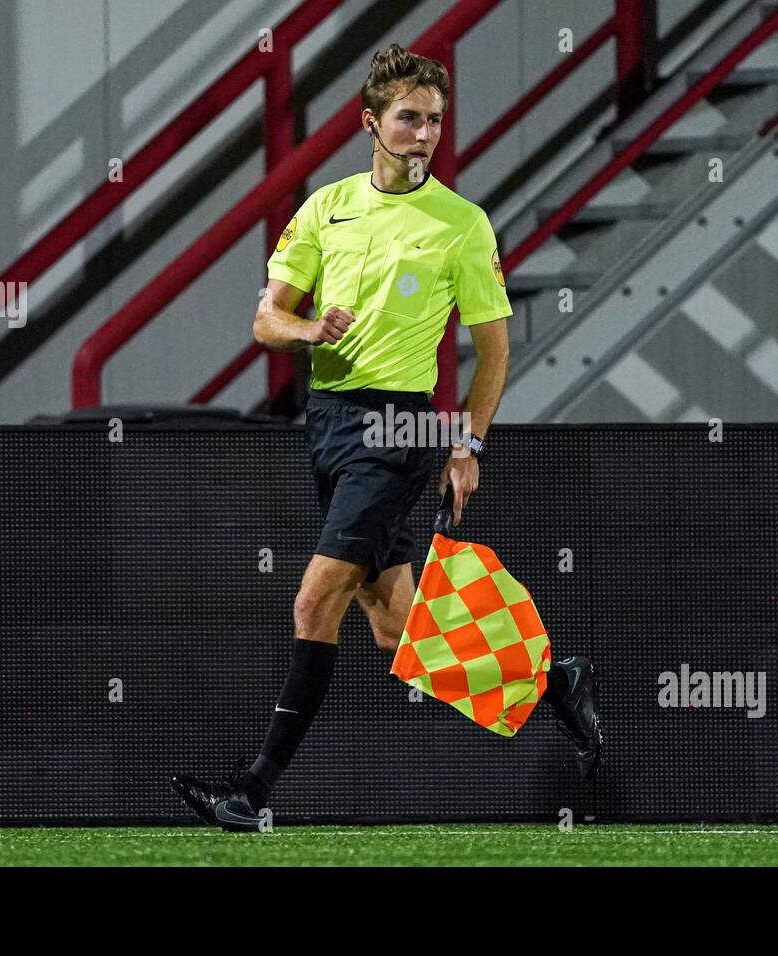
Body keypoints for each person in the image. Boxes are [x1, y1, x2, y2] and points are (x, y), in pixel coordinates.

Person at [173, 44, 602, 832]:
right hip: (328, 422)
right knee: (394, 625)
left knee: (314, 600)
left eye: (434, 121)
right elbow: (266, 319)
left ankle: (252, 789)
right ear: (370, 123)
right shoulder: (325, 208)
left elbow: (494, 347)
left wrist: (468, 444)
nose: (424, 133)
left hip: (398, 427)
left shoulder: (461, 224)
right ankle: (552, 682)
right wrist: (309, 327)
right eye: (408, 118)